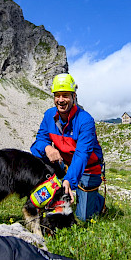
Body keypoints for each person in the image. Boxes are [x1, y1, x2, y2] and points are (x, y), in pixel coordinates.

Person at [30, 73, 105, 222]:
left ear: (73, 96)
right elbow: (37, 143)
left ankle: (98, 201)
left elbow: (82, 155)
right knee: (39, 157)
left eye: (65, 95)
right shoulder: (49, 116)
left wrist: (68, 181)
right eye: (57, 95)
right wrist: (47, 148)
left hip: (89, 168)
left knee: (83, 218)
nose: (61, 100)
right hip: (64, 165)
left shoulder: (85, 120)